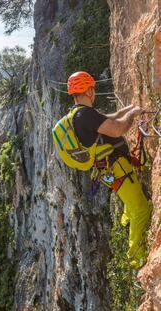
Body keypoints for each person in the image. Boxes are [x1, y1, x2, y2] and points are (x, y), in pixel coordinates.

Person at [67, 71, 151, 269]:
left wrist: (127, 109)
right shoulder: (84, 115)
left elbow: (109, 119)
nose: (94, 92)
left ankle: (125, 218)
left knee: (131, 200)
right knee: (142, 210)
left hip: (111, 169)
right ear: (88, 90)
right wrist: (132, 114)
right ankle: (135, 256)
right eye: (92, 89)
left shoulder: (80, 114)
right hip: (118, 167)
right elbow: (117, 130)